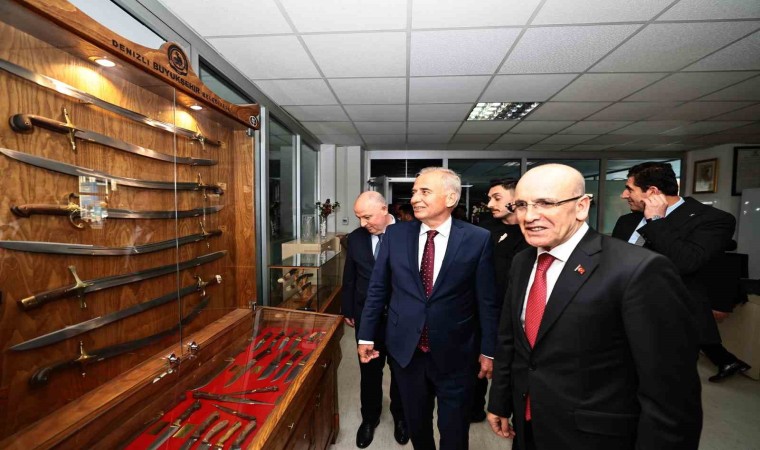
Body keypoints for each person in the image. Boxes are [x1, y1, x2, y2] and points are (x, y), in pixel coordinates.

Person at [487, 163, 702, 450]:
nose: (530, 216)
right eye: (522, 205)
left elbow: (670, 390)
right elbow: (510, 340)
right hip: (529, 426)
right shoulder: (523, 261)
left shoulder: (638, 269)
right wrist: (500, 400)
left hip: (595, 436)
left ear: (581, 207)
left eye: (546, 203)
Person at [358, 167, 499, 450]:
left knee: (454, 430)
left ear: (450, 198)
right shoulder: (395, 235)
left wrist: (488, 350)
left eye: (424, 192)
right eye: (414, 192)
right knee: (417, 425)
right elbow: (377, 289)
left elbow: (486, 300)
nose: (414, 199)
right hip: (406, 352)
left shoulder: (478, 238)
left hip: (456, 352)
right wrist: (366, 335)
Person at [612, 161, 750, 382]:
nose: (623, 195)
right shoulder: (627, 220)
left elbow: (685, 262)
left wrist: (656, 220)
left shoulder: (713, 220)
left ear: (652, 192)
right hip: (620, 319)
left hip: (670, 323)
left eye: (629, 189)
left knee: (663, 386)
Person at [342, 191, 408, 447]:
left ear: (384, 209)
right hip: (367, 318)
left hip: (401, 319)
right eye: (358, 217)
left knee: (401, 370)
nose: (363, 223)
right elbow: (350, 276)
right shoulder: (356, 238)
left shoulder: (408, 234)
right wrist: (348, 309)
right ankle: (369, 418)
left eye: (367, 217)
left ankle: (401, 417)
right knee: (369, 371)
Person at [469, 178, 529, 423]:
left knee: (511, 366)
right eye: (490, 198)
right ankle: (475, 409)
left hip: (516, 312)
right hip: (484, 308)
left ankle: (511, 413)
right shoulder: (485, 229)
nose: (490, 204)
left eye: (497, 198)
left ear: (516, 200)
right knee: (479, 363)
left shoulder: (531, 231)